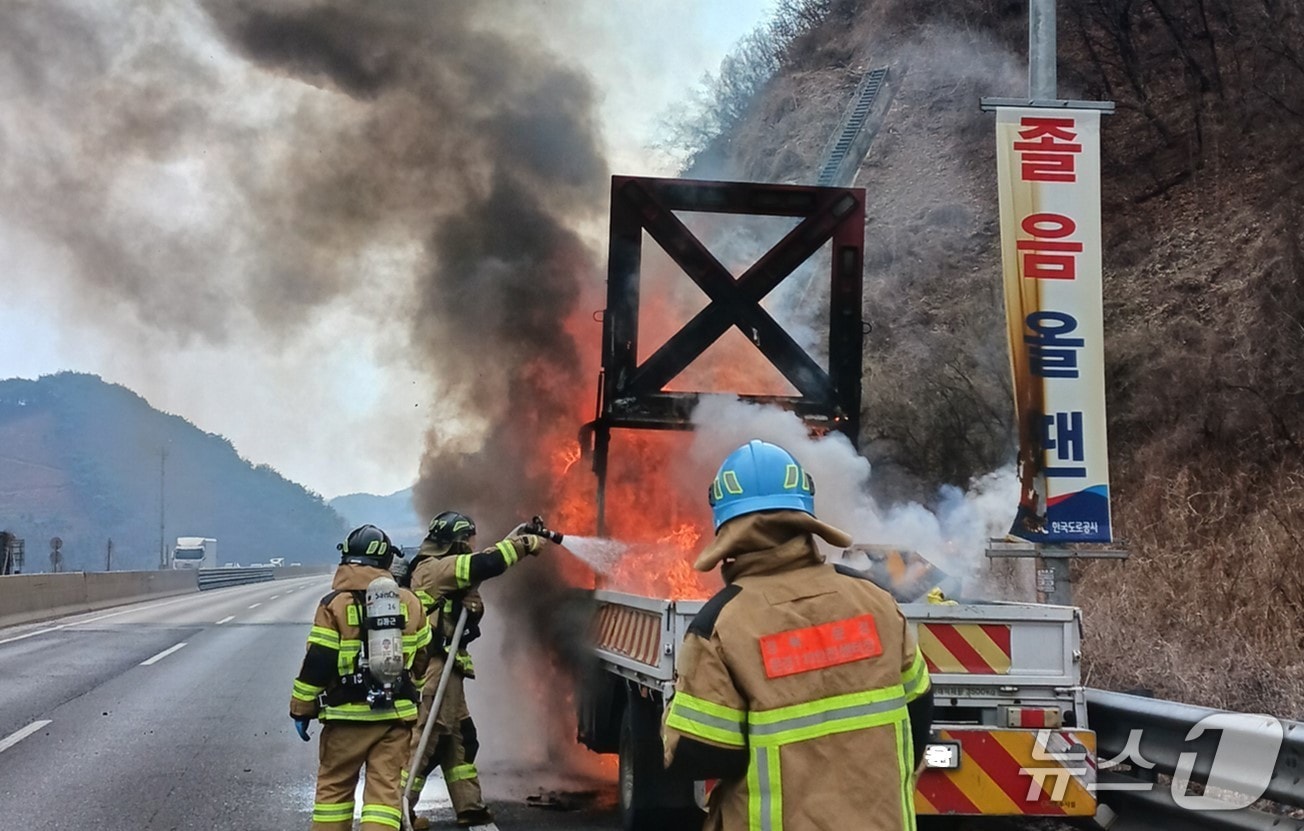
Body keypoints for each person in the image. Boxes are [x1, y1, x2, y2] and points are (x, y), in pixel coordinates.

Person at [662, 440, 935, 831]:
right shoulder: (876, 602)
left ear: (724, 524)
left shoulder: (720, 624)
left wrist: (673, 713)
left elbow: (698, 753)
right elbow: (920, 705)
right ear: (804, 513)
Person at [400, 511, 545, 829]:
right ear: (458, 541)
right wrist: (523, 544)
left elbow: (455, 615)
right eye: (469, 540)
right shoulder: (437, 569)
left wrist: (473, 611)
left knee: (462, 738)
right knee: (426, 740)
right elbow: (486, 564)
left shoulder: (440, 570)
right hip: (434, 669)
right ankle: (397, 808)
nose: (472, 546)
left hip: (449, 667)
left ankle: (470, 807)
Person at [290, 524, 431, 831]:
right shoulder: (410, 602)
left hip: (345, 719)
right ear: (385, 562)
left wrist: (301, 709)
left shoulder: (334, 604)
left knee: (334, 791)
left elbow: (318, 661)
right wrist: (413, 695)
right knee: (384, 797)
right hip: (394, 719)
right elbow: (422, 659)